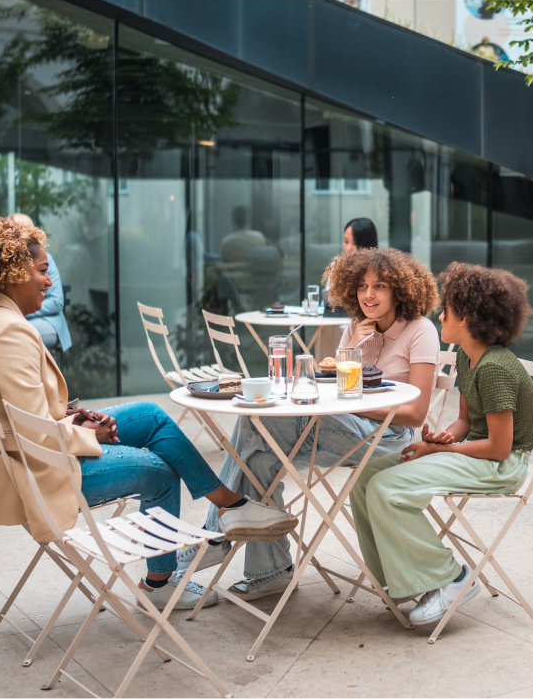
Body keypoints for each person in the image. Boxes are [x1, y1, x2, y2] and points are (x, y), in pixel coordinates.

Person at [0, 216, 296, 611]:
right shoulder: (9, 332)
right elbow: (34, 434)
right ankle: (160, 583)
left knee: (150, 415)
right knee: (159, 471)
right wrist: (87, 435)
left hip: (26, 452)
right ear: (13, 272)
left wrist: (76, 419)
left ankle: (230, 506)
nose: (49, 282)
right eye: (42, 271)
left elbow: (24, 415)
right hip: (32, 471)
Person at [182, 247, 441, 602]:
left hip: (388, 438)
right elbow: (334, 385)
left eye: (380, 286)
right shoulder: (355, 328)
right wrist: (353, 345)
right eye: (362, 286)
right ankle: (270, 572)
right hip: (343, 428)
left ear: (400, 289)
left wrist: (358, 404)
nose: (368, 294)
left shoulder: (420, 331)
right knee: (259, 455)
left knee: (255, 426)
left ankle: (214, 535)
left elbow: (415, 413)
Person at [349, 262, 533, 625]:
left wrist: (438, 449)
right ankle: (400, 579)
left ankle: (452, 578)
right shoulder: (469, 359)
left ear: (465, 317)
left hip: (502, 465)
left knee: (388, 487)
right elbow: (466, 422)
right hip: (478, 453)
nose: (440, 317)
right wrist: (445, 436)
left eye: (447, 311)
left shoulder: (496, 367)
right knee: (365, 478)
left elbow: (500, 448)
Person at [8, 213, 72, 352]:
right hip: (15, 320)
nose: (6, 234)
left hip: (48, 320)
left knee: (17, 337)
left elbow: (56, 302)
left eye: (10, 229)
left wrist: (23, 312)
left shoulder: (45, 259)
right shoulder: (7, 264)